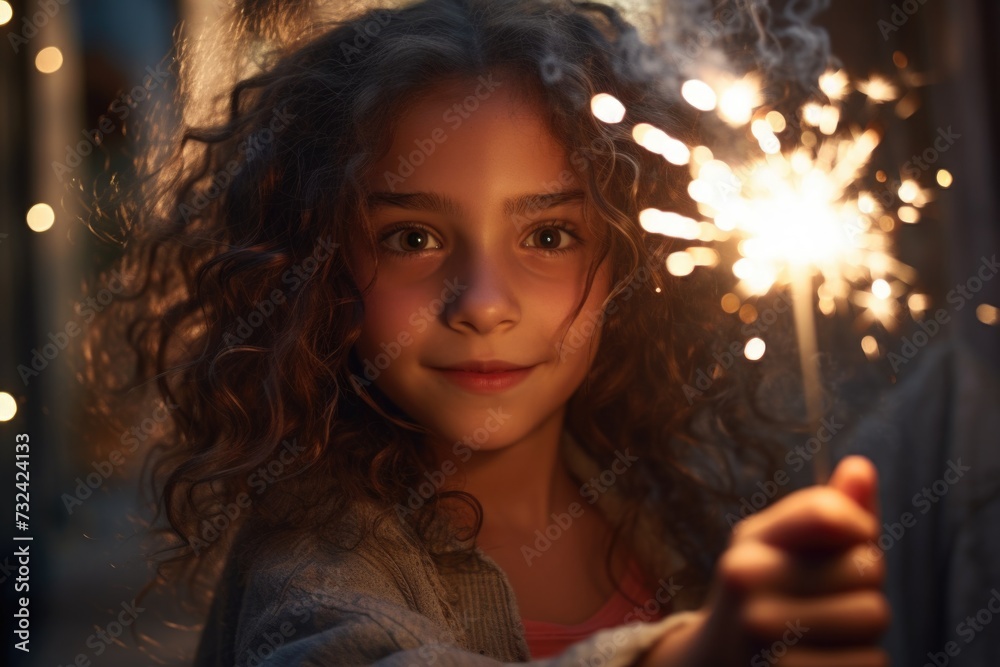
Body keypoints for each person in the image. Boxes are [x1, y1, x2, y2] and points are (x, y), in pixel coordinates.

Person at [81, 0, 889, 664]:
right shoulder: (312, 556)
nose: (483, 303)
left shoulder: (672, 497)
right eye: (413, 238)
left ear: (627, 259)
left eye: (547, 237)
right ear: (319, 269)